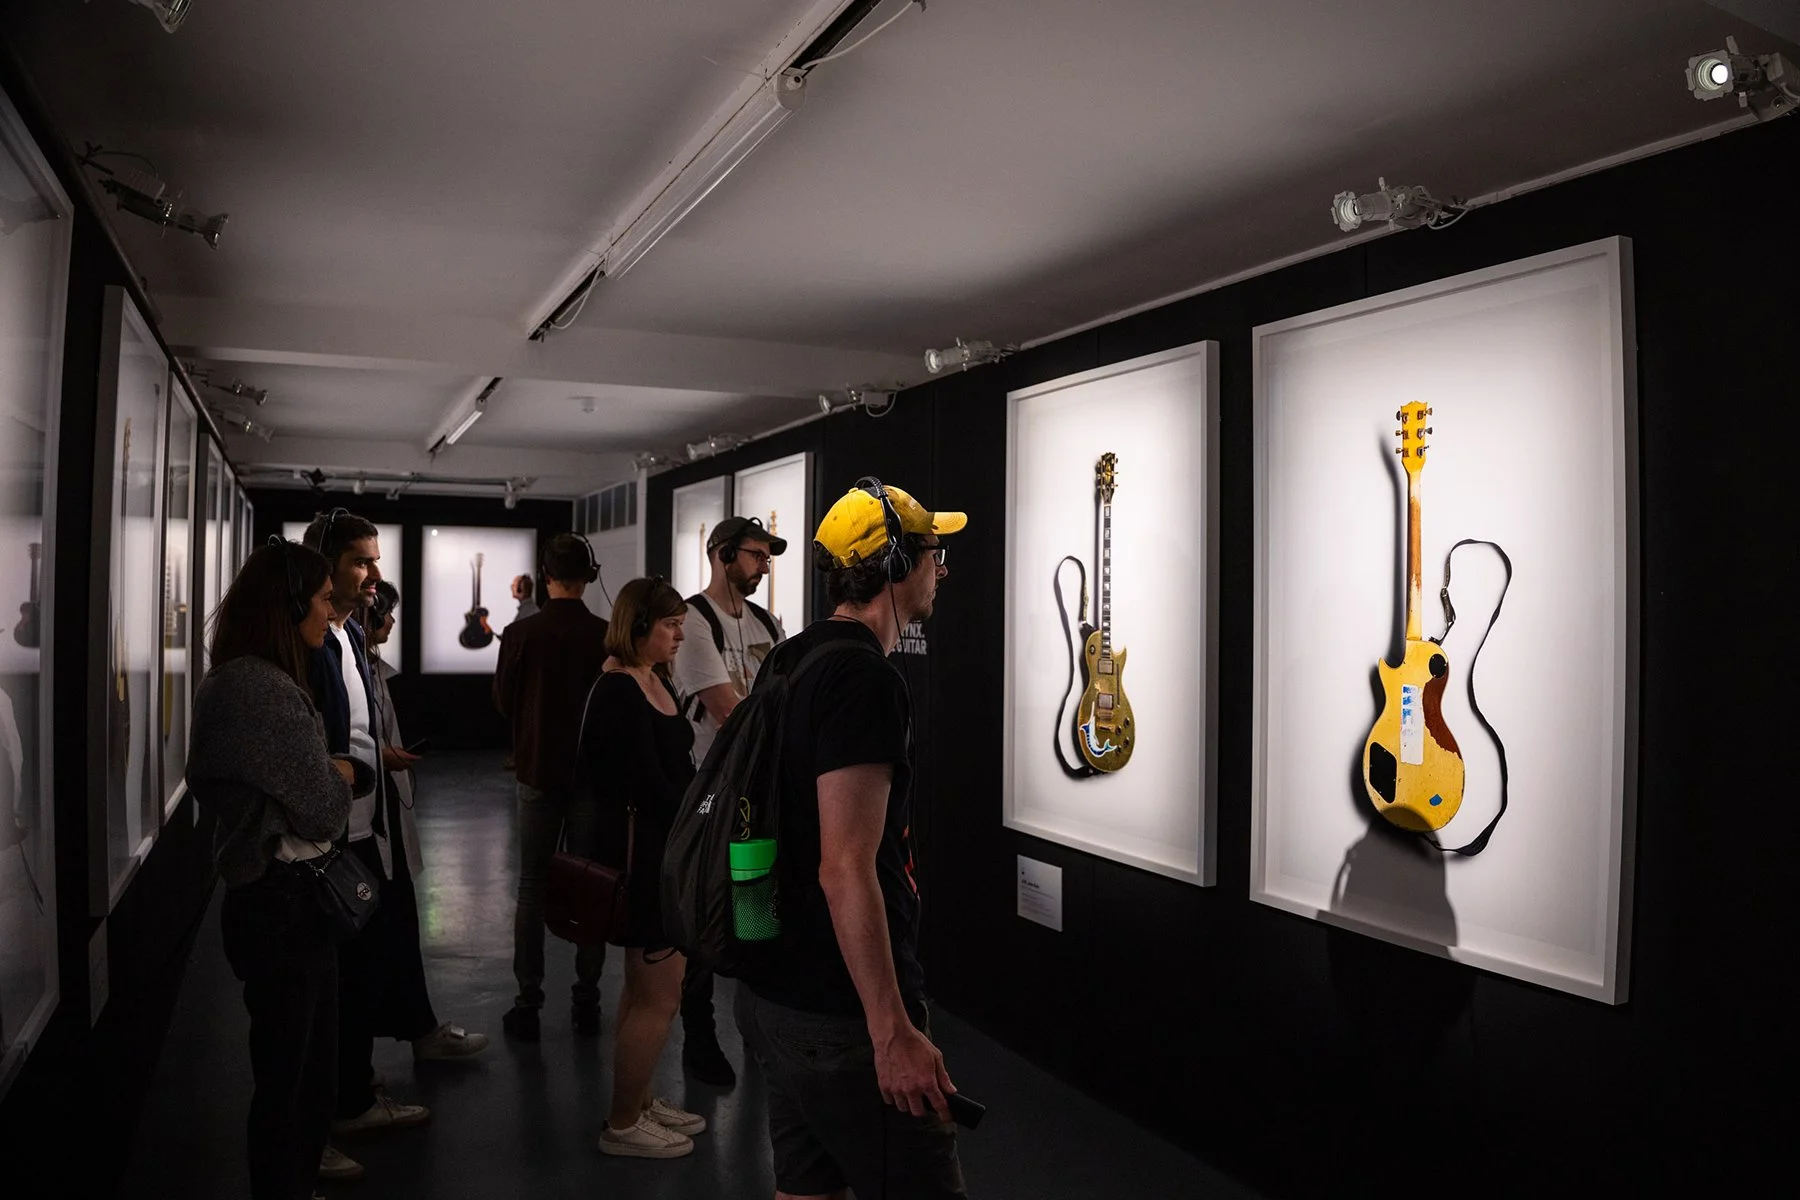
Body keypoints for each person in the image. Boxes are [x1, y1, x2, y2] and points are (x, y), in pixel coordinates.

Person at [734, 479, 968, 1200]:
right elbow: (845, 868)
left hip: (775, 990)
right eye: (934, 551)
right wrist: (891, 1028)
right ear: (894, 563)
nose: (944, 568)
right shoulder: (863, 680)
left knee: (807, 1190)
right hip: (839, 1014)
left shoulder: (792, 658)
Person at [187, 539, 362, 1200]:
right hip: (282, 907)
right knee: (293, 1076)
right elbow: (322, 809)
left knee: (300, 1069)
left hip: (279, 904)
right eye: (320, 599)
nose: (329, 611)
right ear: (288, 605)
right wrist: (342, 773)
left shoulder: (245, 680)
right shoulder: (260, 691)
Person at [298, 511, 432, 1163]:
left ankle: (350, 1092)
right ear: (325, 564)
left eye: (375, 561)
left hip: (360, 828)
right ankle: (332, 1113)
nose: (374, 574)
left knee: (356, 978)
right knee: (327, 989)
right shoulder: (312, 640)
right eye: (361, 561)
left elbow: (346, 722)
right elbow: (310, 739)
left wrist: (377, 753)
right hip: (330, 837)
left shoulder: (347, 633)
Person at [581, 577, 708, 1159]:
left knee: (643, 992)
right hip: (647, 863)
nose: (680, 634)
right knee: (660, 997)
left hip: (664, 857)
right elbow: (650, 786)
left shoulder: (648, 679)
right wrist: (708, 807)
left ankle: (639, 1097)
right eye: (669, 625)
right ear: (637, 629)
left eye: (681, 623)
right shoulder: (618, 690)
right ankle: (623, 1122)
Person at [668, 515, 789, 1086]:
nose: (764, 565)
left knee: (756, 914)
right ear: (722, 555)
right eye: (756, 554)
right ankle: (699, 1035)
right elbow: (727, 708)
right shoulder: (694, 621)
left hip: (759, 794)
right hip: (711, 790)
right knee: (706, 911)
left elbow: (784, 694)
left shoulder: (766, 620)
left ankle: (757, 1032)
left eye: (768, 556)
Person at [363, 579, 489, 1064]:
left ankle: (420, 1028)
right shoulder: (348, 664)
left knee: (399, 924)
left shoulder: (370, 666)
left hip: (383, 812)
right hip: (365, 819)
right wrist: (379, 756)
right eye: (385, 613)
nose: (391, 622)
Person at [493, 533, 610, 1040]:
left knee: (531, 886)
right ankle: (587, 1001)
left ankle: (528, 1002)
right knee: (591, 885)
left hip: (537, 772)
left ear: (546, 576)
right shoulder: (606, 635)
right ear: (589, 577)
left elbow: (502, 701)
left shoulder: (522, 634)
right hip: (590, 778)